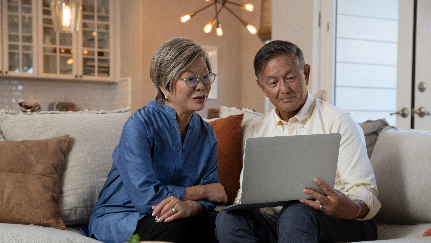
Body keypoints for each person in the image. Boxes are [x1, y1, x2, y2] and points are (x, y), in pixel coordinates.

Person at [215, 40, 381, 243]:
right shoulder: (257, 130)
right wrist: (246, 201)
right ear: (263, 87)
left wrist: (351, 207)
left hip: (344, 220)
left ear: (306, 74)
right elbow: (247, 191)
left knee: (295, 213)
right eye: (273, 83)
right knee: (227, 219)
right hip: (285, 221)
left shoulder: (338, 121)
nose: (284, 89)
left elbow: (365, 190)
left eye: (291, 78)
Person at [86, 37, 227, 243]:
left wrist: (189, 206)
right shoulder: (139, 126)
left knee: (227, 224)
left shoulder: (206, 134)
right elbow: (147, 198)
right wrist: (201, 191)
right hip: (124, 215)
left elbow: (214, 198)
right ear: (164, 86)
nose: (202, 86)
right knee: (173, 229)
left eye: (205, 76)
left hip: (178, 215)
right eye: (190, 79)